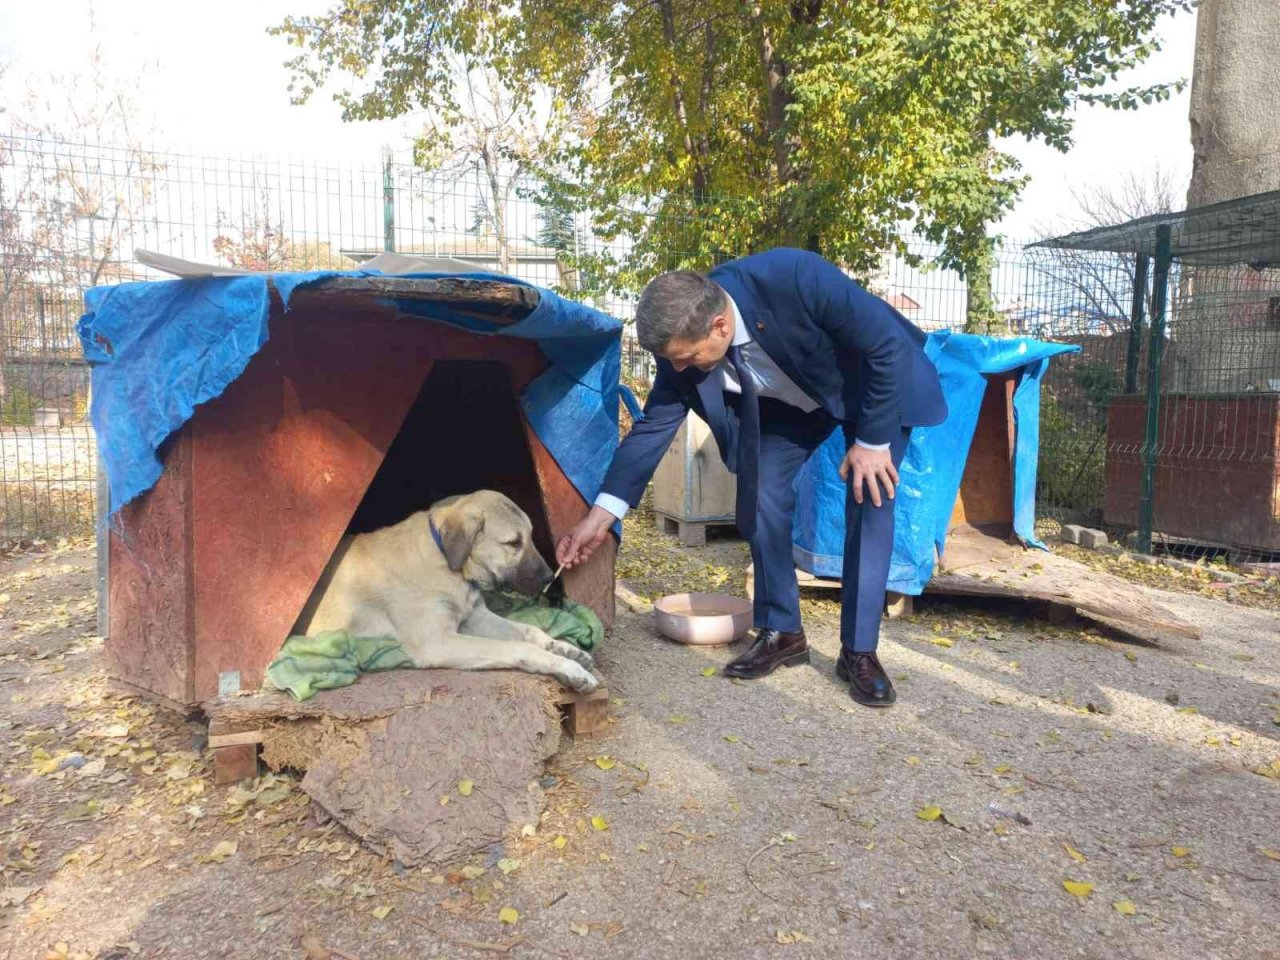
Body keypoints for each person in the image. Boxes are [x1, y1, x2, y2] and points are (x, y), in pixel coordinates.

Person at [556, 248, 946, 707]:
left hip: (872, 386)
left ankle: (859, 652)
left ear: (720, 326)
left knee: (869, 495)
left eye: (688, 358)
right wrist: (601, 516)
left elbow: (886, 345)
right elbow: (654, 426)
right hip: (791, 405)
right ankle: (783, 632)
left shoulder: (794, 277)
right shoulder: (681, 337)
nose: (678, 369)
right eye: (673, 360)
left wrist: (872, 442)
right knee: (761, 495)